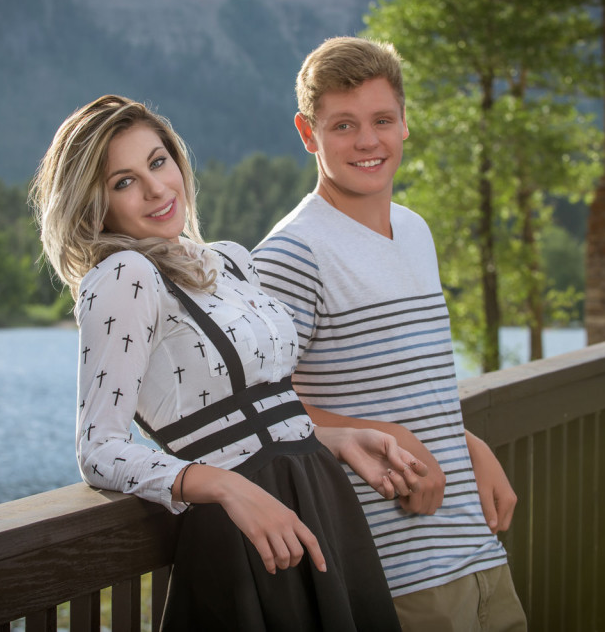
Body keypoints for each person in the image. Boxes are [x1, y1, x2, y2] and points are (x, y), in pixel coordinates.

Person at [29, 94, 429, 631]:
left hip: (318, 500)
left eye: (158, 162)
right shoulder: (123, 276)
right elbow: (99, 449)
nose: (155, 189)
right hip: (245, 531)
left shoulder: (231, 261)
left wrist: (338, 439)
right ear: (94, 205)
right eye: (123, 182)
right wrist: (225, 486)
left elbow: (259, 413)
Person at [252, 37, 528, 631]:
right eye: (343, 125)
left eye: (382, 120)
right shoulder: (290, 255)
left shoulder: (416, 231)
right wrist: (383, 434)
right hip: (395, 572)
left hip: (476, 548)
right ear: (308, 134)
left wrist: (467, 446)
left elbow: (405, 386)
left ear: (406, 123)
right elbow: (254, 409)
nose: (368, 141)